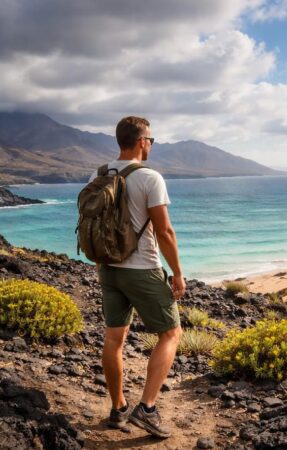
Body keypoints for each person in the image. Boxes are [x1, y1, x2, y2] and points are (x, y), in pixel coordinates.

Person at [97, 116, 185, 438]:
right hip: (142, 269)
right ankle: (147, 409)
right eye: (151, 140)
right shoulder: (150, 177)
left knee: (113, 339)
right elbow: (164, 231)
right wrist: (176, 272)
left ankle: (118, 408)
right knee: (171, 333)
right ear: (142, 142)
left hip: (108, 269)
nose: (150, 144)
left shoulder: (101, 173)